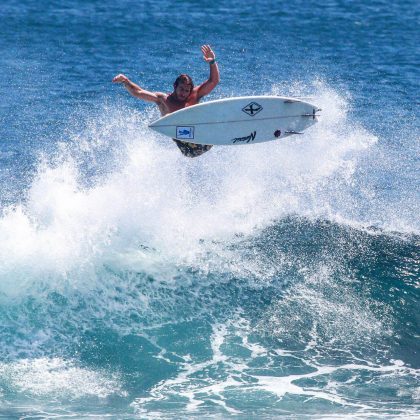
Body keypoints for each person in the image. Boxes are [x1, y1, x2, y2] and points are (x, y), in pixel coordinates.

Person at [112, 45, 220, 158]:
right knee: (171, 116)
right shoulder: (163, 100)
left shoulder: (194, 95)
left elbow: (214, 81)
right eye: (181, 89)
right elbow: (138, 92)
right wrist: (125, 81)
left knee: (209, 114)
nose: (183, 93)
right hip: (187, 147)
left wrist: (212, 62)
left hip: (203, 136)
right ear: (175, 86)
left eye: (186, 91)